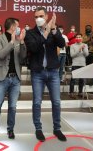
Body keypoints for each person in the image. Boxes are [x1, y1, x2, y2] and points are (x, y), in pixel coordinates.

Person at [24, 7, 67, 142]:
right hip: (38, 72)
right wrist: (46, 32)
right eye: (36, 17)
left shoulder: (54, 30)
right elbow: (33, 48)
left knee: (56, 102)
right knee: (37, 102)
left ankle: (57, 128)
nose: (38, 19)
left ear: (47, 16)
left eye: (41, 16)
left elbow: (61, 43)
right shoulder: (30, 33)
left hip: (53, 71)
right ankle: (38, 128)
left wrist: (53, 29)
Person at [0, 18, 26, 139]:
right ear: (13, 27)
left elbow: (23, 57)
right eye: (18, 26)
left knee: (12, 107)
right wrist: (12, 42)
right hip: (2, 78)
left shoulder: (19, 39)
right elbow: (1, 54)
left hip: (15, 79)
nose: (19, 28)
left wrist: (22, 42)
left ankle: (10, 129)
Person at [69, 34, 89, 98]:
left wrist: (83, 48)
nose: (78, 38)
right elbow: (72, 55)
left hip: (82, 64)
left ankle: (80, 92)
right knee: (73, 80)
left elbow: (86, 54)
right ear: (75, 38)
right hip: (75, 64)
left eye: (79, 37)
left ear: (82, 38)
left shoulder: (85, 45)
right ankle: (71, 92)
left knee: (82, 79)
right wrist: (79, 49)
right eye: (77, 37)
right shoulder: (72, 46)